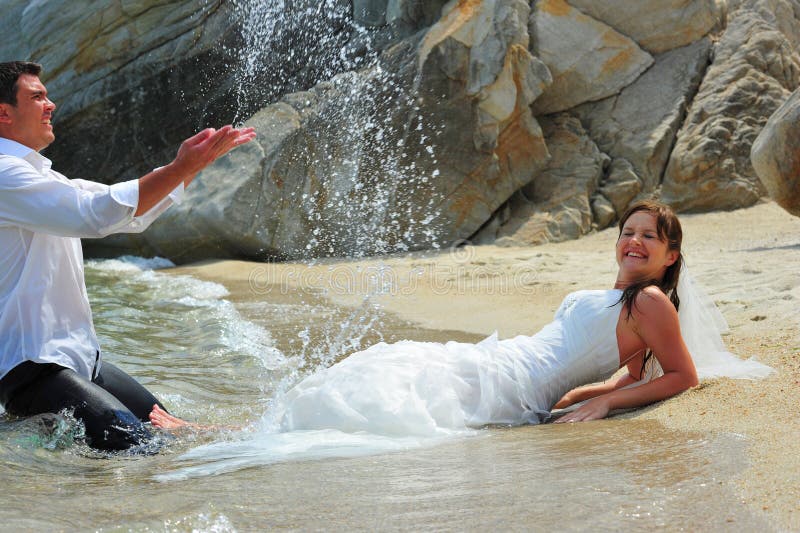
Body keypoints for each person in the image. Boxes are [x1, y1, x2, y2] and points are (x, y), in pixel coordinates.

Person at [151, 200, 772, 435]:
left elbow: (681, 377)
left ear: (671, 255)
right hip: (505, 366)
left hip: (510, 381)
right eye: (627, 232)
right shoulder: (623, 302)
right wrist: (594, 393)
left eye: (648, 238)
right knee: (378, 374)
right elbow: (627, 371)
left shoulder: (650, 302)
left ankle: (212, 438)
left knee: (380, 390)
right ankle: (223, 435)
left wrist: (605, 405)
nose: (633, 242)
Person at [0, 61, 256, 451]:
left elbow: (124, 215)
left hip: (79, 360)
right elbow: (94, 214)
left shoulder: (41, 176)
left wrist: (190, 169)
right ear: (4, 112)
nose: (51, 104)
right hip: (32, 369)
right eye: (37, 97)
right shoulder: (5, 174)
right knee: (140, 447)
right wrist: (179, 166)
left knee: (178, 434)